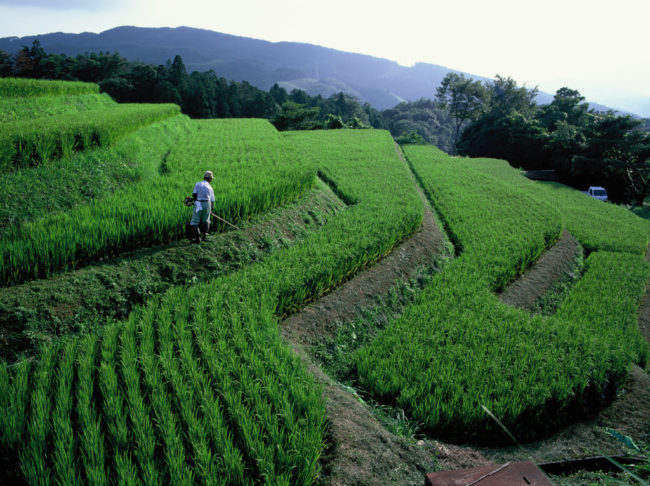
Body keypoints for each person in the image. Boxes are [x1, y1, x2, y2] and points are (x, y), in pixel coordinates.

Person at [190, 171, 215, 243]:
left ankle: (198, 238)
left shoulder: (198, 184)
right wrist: (211, 209)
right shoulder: (210, 187)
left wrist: (194, 201)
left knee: (195, 221)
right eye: (211, 178)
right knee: (206, 220)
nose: (211, 180)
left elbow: (194, 194)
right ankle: (204, 237)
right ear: (209, 179)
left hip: (199, 203)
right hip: (207, 203)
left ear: (204, 177)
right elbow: (212, 200)